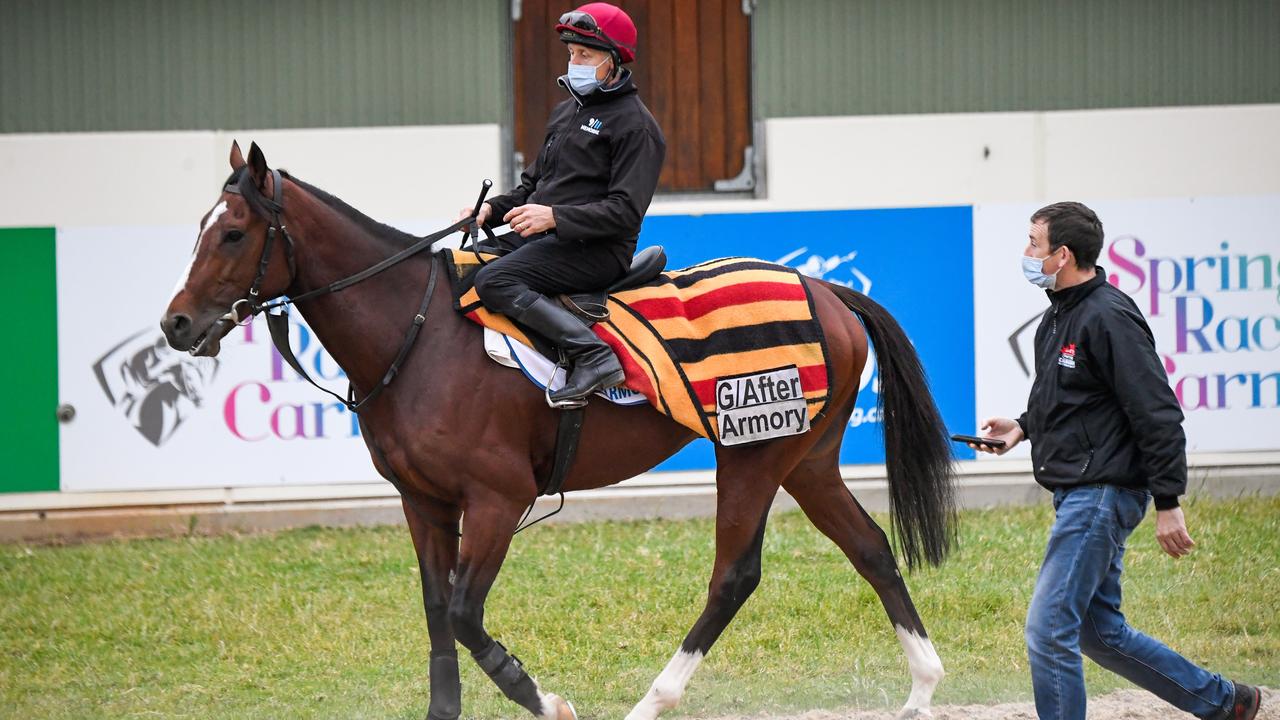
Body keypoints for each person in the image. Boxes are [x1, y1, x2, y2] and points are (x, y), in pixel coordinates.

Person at [974, 202, 1262, 720]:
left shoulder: (1108, 315)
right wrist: (1021, 428)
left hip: (1102, 492)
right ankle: (1227, 703)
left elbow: (1157, 412)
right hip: (1079, 491)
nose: (1026, 252)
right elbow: (1067, 398)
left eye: (1034, 243)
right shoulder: (1058, 314)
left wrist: (1168, 501)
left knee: (1048, 627)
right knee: (1099, 633)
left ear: (1063, 254)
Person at [460, 2, 665, 406]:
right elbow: (531, 188)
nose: (575, 62)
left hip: (599, 252)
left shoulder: (637, 127)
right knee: (462, 263)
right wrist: (488, 211)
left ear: (614, 60)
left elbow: (625, 212)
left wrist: (554, 218)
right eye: (572, 54)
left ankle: (593, 355)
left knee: (494, 281)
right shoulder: (566, 112)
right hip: (550, 243)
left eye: (585, 55)